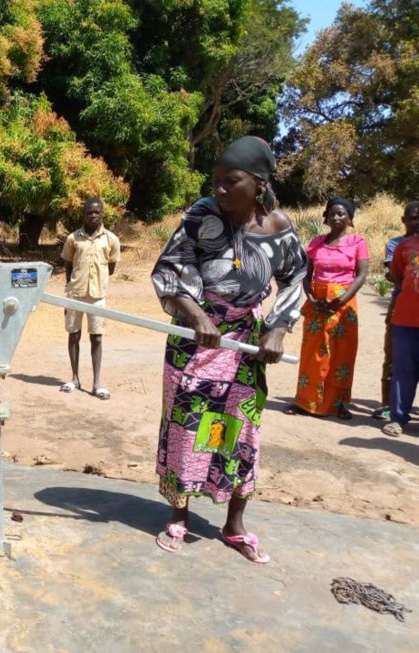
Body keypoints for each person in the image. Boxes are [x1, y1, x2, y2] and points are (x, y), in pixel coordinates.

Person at [151, 136, 306, 564]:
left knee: (241, 428)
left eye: (229, 182)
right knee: (187, 425)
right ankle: (179, 513)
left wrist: (276, 328)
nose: (218, 189)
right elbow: (169, 269)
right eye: (215, 181)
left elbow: (296, 278)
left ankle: (234, 524)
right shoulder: (200, 216)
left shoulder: (278, 227)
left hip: (246, 346)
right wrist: (196, 316)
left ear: (258, 183)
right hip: (194, 342)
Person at [286, 198, 368, 420]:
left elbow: (360, 275)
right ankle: (305, 401)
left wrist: (341, 300)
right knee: (313, 353)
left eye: (341, 214)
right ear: (326, 217)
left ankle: (339, 403)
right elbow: (307, 274)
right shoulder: (316, 243)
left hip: (344, 304)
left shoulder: (358, 242)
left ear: (350, 218)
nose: (336, 217)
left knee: (342, 353)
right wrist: (311, 297)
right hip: (317, 304)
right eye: (332, 213)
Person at [59, 197, 121, 399]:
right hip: (75, 294)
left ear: (102, 213)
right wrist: (71, 287)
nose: (93, 215)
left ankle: (97, 383)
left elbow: (110, 267)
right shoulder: (73, 239)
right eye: (89, 212)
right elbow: (68, 265)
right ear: (83, 214)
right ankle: (75, 378)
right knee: (73, 335)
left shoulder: (111, 239)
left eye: (97, 212)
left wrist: (96, 281)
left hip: (97, 296)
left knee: (96, 337)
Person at [374, 201, 419, 420]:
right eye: (412, 218)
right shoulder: (400, 245)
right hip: (404, 312)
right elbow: (397, 275)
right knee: (398, 363)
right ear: (404, 220)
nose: (416, 222)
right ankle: (394, 412)